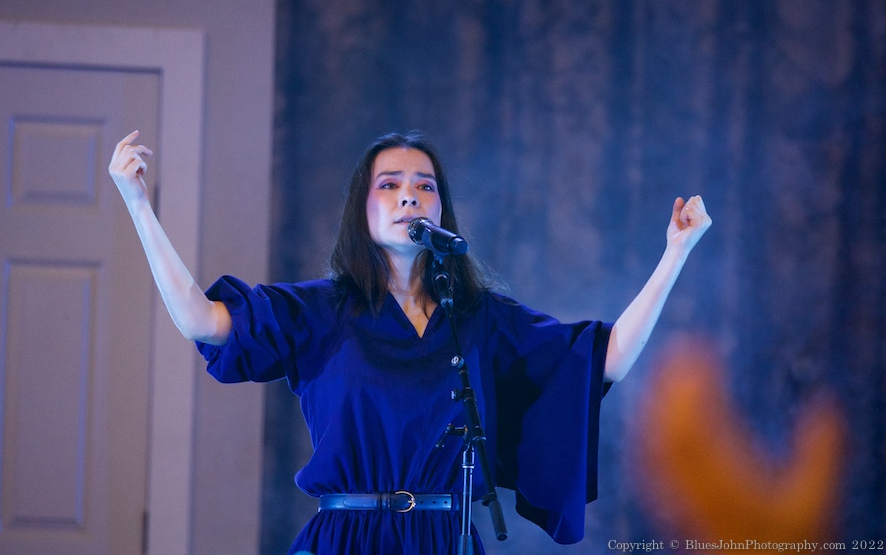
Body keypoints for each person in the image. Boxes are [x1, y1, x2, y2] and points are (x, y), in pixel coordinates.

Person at [109, 129, 712, 554]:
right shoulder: (320, 310)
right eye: (390, 185)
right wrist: (139, 205)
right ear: (362, 209)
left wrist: (674, 255)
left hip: (444, 537)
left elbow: (602, 358)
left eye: (424, 186)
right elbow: (201, 321)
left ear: (441, 210)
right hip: (346, 538)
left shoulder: (475, 317)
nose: (408, 196)